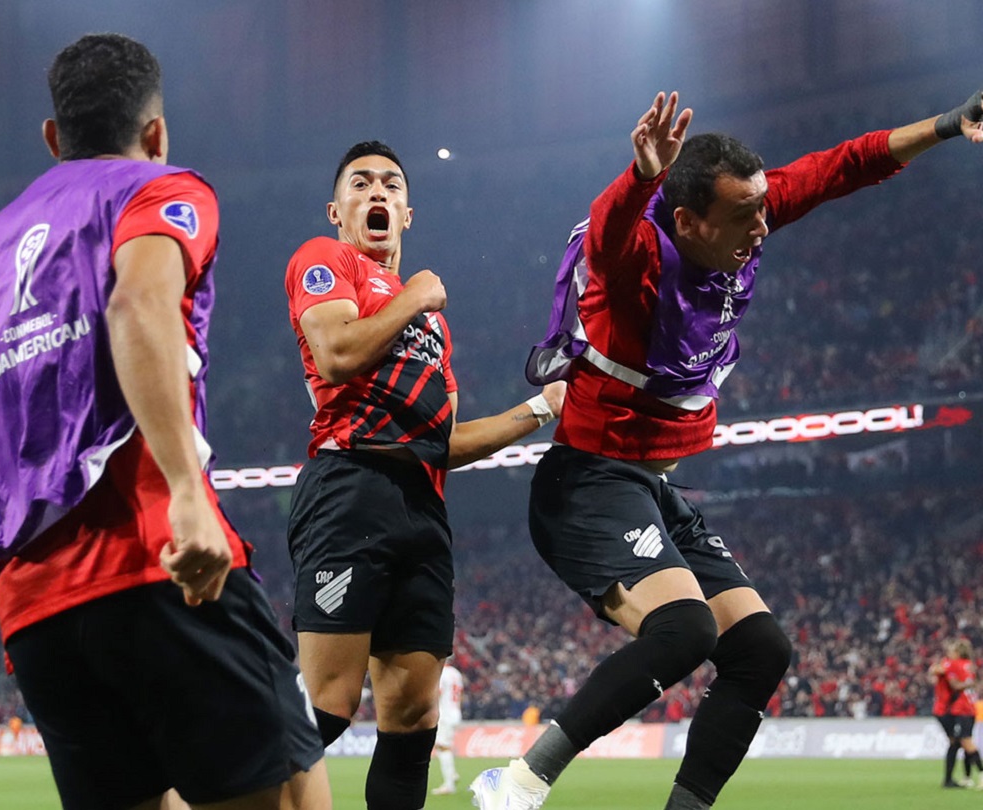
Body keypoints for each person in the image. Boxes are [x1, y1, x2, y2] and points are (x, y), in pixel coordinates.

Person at [472, 89, 983, 810]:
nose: (762, 229)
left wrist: (947, 125)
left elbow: (843, 165)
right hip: (587, 483)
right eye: (744, 218)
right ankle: (518, 783)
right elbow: (607, 235)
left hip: (651, 486)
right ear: (688, 220)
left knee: (760, 651)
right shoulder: (637, 264)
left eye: (763, 210)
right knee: (684, 628)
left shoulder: (749, 216)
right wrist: (641, 175)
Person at [0, 33, 329, 810]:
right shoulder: (156, 190)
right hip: (159, 562)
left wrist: (32, 470)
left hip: (37, 615)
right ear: (155, 134)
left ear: (54, 139)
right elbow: (138, 301)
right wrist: (188, 490)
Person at [283, 140, 565, 809]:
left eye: (391, 185)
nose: (377, 192)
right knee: (325, 707)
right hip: (349, 487)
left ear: (407, 211)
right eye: (361, 184)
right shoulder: (327, 260)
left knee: (412, 721)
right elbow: (335, 353)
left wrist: (539, 409)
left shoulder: (433, 326)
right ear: (337, 209)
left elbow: (442, 442)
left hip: (423, 508)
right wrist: (414, 295)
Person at [930, 639, 982, 788]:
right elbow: (935, 671)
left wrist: (937, 669)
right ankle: (960, 778)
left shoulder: (952, 664)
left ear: (957, 653)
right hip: (958, 709)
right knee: (959, 741)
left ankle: (953, 779)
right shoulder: (969, 665)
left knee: (960, 742)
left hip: (953, 709)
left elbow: (938, 672)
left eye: (951, 651)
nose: (948, 654)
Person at [431, 661, 464, 796]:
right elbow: (460, 694)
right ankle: (452, 775)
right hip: (455, 712)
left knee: (442, 747)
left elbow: (437, 693)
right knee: (442, 746)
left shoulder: (441, 673)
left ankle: (449, 784)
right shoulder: (456, 673)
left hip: (444, 714)